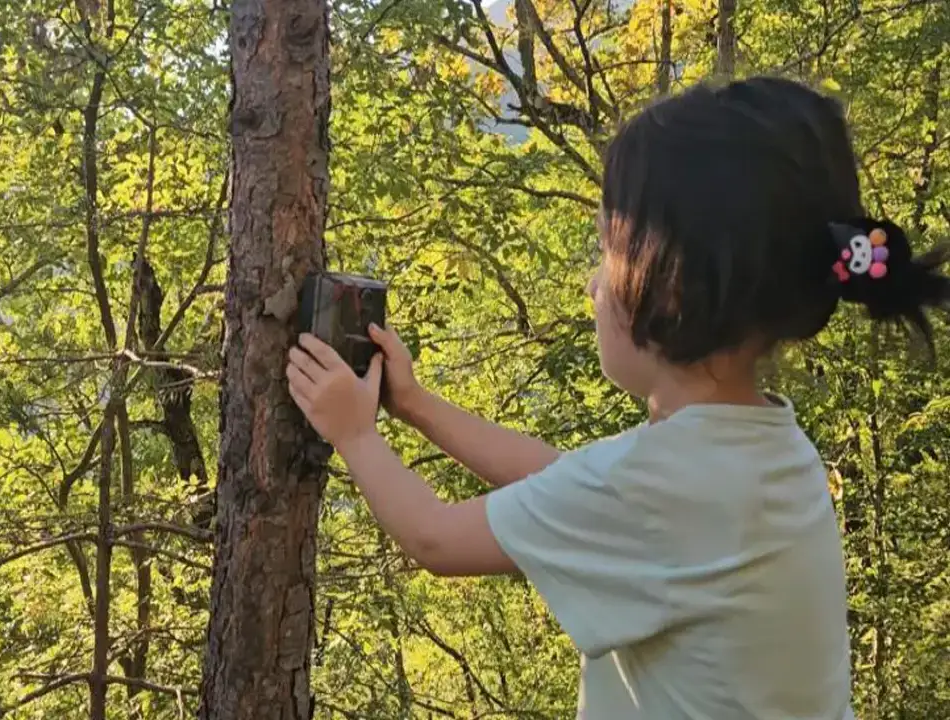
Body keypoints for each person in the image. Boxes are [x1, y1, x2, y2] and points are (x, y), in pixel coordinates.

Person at [286, 76, 950, 719]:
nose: (593, 283)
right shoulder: (764, 449)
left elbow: (435, 540)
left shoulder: (670, 483)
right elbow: (567, 480)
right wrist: (418, 406)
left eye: (608, 251)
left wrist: (356, 434)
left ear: (672, 287)